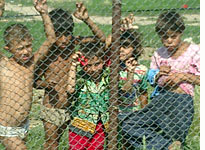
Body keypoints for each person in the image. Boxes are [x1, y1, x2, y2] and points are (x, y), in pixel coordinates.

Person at [120, 11, 200, 150]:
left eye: (173, 36)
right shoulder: (158, 53)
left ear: (181, 33)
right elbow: (150, 78)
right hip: (161, 99)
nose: (169, 40)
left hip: (182, 100)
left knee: (176, 136)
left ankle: (168, 144)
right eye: (164, 37)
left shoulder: (194, 51)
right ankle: (166, 146)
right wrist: (158, 75)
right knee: (129, 125)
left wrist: (183, 77)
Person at [34, 2, 106, 150]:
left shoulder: (74, 43)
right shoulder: (47, 54)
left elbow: (101, 40)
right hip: (52, 107)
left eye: (67, 34)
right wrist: (46, 84)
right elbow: (34, 80)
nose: (64, 39)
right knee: (52, 144)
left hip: (73, 107)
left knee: (75, 144)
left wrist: (87, 20)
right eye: (59, 35)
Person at [0, 0, 56, 149]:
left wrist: (43, 13)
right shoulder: (4, 64)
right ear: (8, 48)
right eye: (19, 48)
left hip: (23, 125)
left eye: (28, 46)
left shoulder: (31, 63)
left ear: (31, 41)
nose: (25, 52)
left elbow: (51, 39)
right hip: (6, 127)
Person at [67, 40, 109, 150]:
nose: (93, 69)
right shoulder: (81, 78)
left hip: (100, 124)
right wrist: (73, 66)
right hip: (80, 124)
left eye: (97, 64)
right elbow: (70, 89)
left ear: (103, 61)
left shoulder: (107, 76)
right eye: (88, 65)